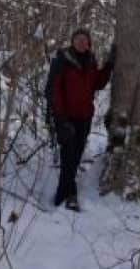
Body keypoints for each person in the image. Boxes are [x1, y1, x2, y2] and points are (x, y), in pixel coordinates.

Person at [48, 27, 116, 211]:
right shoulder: (62, 60)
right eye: (78, 39)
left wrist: (109, 65)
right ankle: (69, 196)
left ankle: (62, 195)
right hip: (66, 119)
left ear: (89, 43)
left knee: (75, 158)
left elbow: (97, 83)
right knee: (68, 158)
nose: (81, 42)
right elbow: (53, 91)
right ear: (72, 41)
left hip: (84, 118)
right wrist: (60, 120)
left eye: (85, 40)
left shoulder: (90, 61)